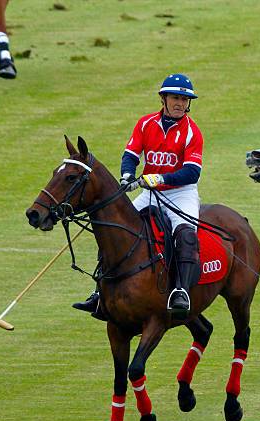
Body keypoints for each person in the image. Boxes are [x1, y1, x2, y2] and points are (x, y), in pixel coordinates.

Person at [73, 73, 203, 320]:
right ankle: (100, 291)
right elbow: (131, 155)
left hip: (180, 194)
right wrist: (126, 175)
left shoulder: (192, 132)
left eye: (185, 100)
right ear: (163, 99)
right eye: (175, 98)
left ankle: (181, 291)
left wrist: (161, 179)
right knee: (114, 229)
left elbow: (192, 172)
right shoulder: (145, 124)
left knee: (185, 234)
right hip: (149, 193)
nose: (180, 104)